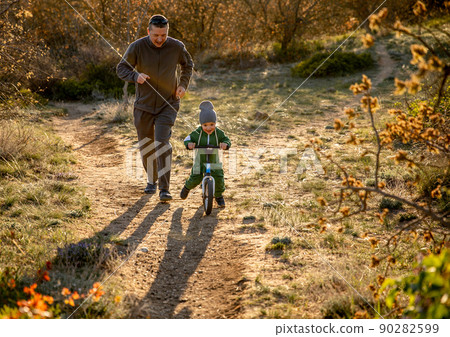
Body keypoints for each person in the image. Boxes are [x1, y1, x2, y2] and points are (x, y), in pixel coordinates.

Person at [117, 14, 194, 201]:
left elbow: (188, 65)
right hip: (143, 106)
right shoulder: (137, 47)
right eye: (156, 35)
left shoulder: (176, 47)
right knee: (146, 146)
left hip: (168, 104)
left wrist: (183, 85)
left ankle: (164, 189)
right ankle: (151, 180)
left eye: (164, 35)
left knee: (162, 143)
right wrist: (136, 76)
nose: (160, 39)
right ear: (148, 32)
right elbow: (121, 68)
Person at [180, 101, 231, 208]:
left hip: (214, 159)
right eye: (205, 125)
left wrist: (225, 144)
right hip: (200, 159)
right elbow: (187, 138)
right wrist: (188, 144)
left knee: (218, 177)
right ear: (201, 124)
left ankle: (218, 196)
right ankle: (187, 187)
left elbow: (226, 139)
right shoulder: (197, 133)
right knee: (195, 178)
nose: (209, 128)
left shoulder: (218, 133)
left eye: (212, 125)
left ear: (215, 124)